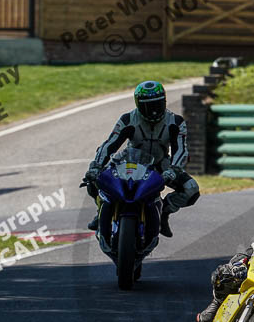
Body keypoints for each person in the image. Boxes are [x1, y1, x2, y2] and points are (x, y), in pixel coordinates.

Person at [83, 80, 199, 237]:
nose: (153, 111)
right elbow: (110, 144)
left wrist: (174, 169)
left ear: (164, 102)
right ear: (138, 105)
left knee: (191, 189)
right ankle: (101, 211)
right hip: (130, 164)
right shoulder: (128, 120)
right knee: (94, 180)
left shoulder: (175, 122)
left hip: (161, 166)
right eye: (148, 106)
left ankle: (163, 213)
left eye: (157, 105)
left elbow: (181, 149)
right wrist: (95, 166)